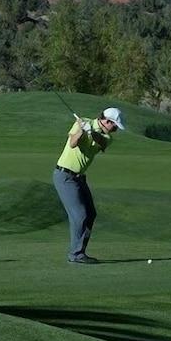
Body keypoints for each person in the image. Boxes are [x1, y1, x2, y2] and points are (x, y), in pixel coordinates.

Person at [52, 106, 126, 264]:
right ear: (107, 121)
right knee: (79, 215)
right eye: (114, 126)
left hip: (79, 179)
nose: (115, 130)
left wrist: (90, 131)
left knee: (90, 214)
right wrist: (81, 130)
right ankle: (75, 254)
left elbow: (101, 142)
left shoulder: (107, 137)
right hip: (65, 176)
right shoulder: (82, 122)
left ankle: (80, 252)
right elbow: (73, 143)